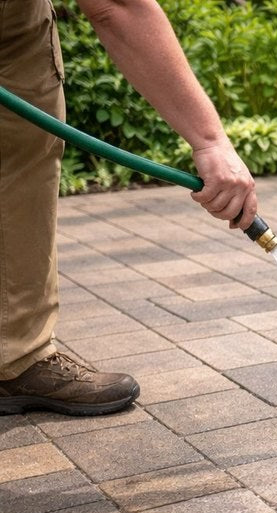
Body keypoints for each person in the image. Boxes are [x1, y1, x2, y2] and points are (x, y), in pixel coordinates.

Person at [0, 0, 258, 415]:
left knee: (21, 168)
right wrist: (211, 142)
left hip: (11, 26)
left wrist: (209, 141)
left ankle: (17, 358)